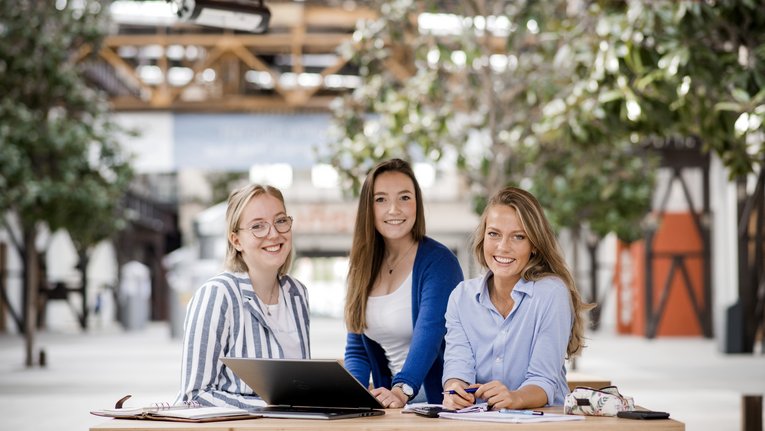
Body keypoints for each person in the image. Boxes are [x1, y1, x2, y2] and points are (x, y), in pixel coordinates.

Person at [442, 186, 592, 410]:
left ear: (533, 245)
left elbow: (543, 380)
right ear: (483, 237)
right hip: (481, 421)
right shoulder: (461, 297)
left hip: (544, 422)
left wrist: (515, 398)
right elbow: (458, 367)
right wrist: (455, 390)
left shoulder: (551, 293)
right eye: (494, 234)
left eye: (518, 237)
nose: (503, 247)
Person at [344, 158, 464, 408]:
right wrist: (352, 396)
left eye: (404, 197)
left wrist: (402, 389)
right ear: (369, 208)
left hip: (431, 398)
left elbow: (429, 334)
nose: (394, 209)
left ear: (417, 204)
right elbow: (357, 348)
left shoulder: (439, 262)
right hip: (390, 401)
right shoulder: (362, 263)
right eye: (381, 199)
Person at [176, 184, 310, 408]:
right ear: (236, 240)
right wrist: (270, 409)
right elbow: (194, 396)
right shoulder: (217, 295)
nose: (274, 233)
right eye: (258, 226)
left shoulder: (297, 294)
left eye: (280, 221)